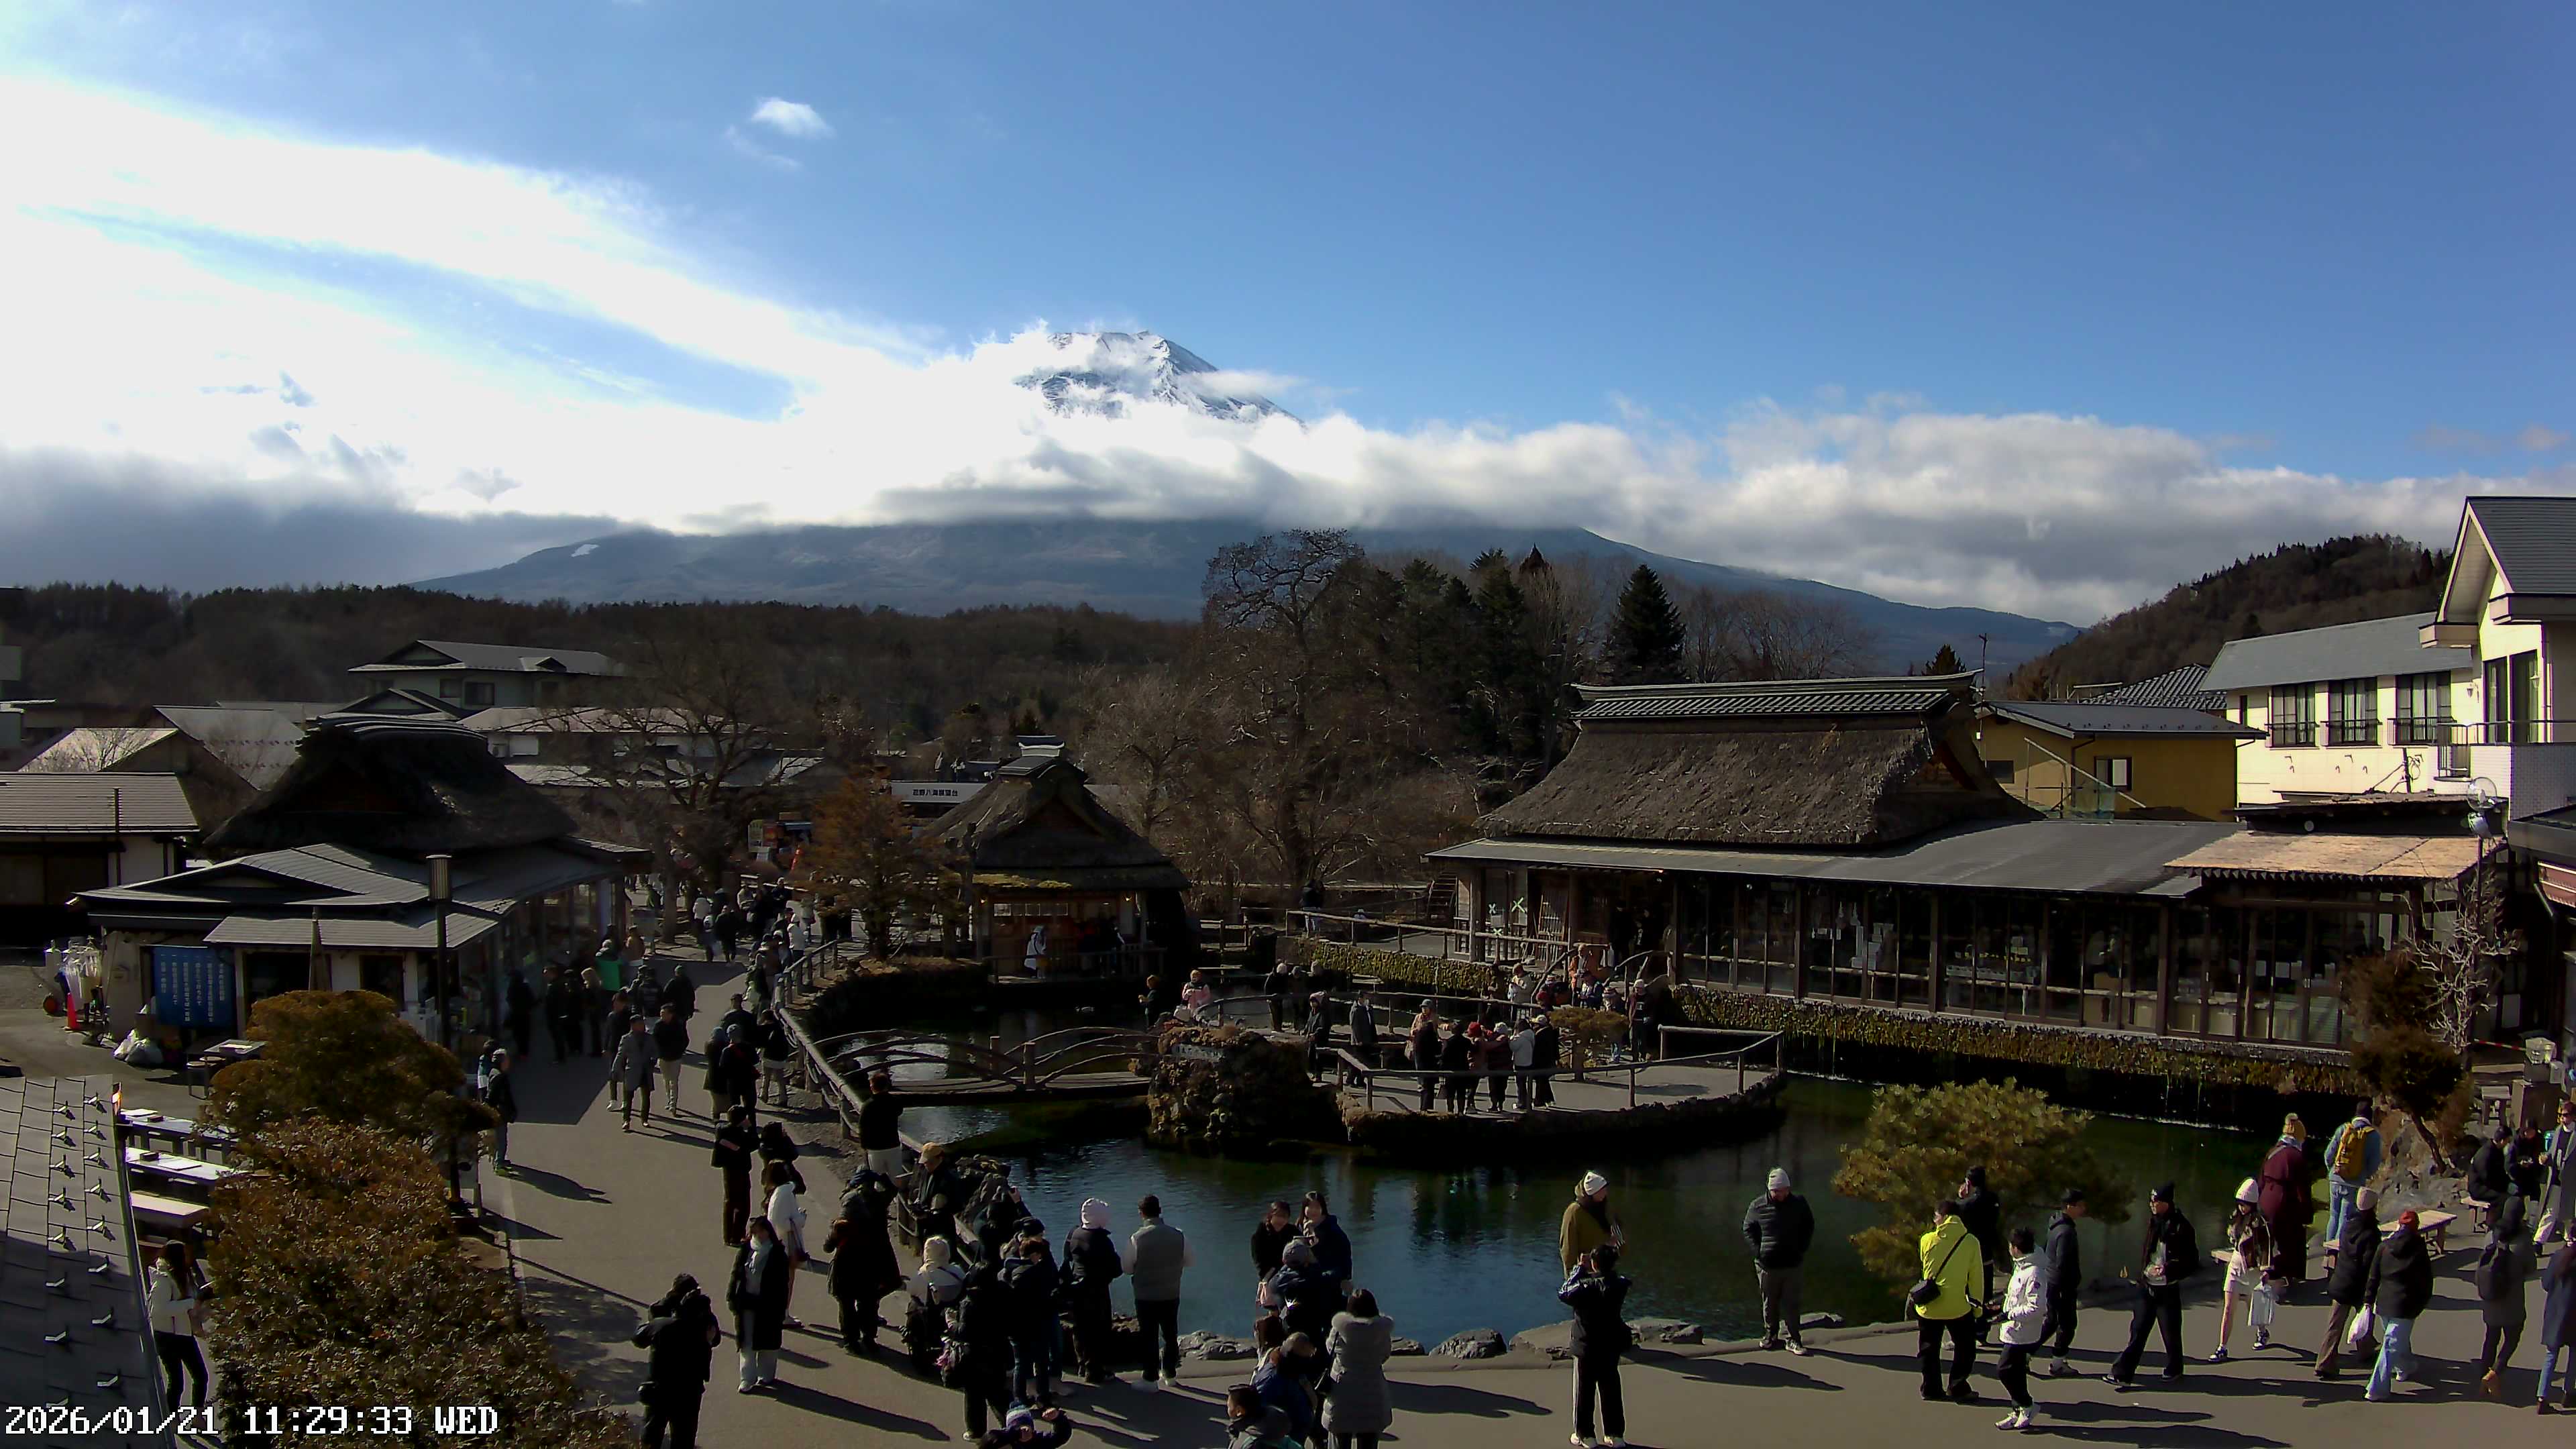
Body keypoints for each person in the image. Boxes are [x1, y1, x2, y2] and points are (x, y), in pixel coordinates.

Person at [2104, 1183, 2198, 1388]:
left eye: (2156, 1202)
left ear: (2167, 1203)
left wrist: (2168, 1269)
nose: (2152, 1205)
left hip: (2168, 1287)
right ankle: (2122, 1372)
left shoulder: (2182, 1227)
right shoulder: (2153, 1223)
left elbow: (2191, 1262)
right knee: (2138, 1329)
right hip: (2147, 1286)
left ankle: (2175, 1368)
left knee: (2170, 1332)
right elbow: (2146, 1251)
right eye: (2151, 1201)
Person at [1560, 1244, 1631, 1449]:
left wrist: (1578, 1270)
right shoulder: (1619, 1285)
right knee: (1611, 1388)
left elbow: (1564, 1292)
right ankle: (1615, 1434)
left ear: (1594, 1263)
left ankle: (1585, 1435)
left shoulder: (1586, 1289)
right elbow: (1620, 1279)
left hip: (1587, 1345)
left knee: (1584, 1391)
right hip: (1610, 1344)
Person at [639, 1273, 720, 1449]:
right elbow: (715, 1339)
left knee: (652, 1436)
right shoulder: (702, 1319)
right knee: (683, 1438)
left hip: (660, 1387)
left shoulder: (661, 1320)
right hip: (689, 1389)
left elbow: (639, 1337)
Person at [1913, 1199, 1983, 1403]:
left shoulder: (1926, 1240)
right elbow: (1976, 1278)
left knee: (1928, 1349)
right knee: (1966, 1348)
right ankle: (1958, 1385)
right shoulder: (1971, 1242)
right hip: (1958, 1307)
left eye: (1935, 1217)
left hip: (1929, 1305)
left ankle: (1931, 1388)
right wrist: (1977, 1307)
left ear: (1941, 1217)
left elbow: (1926, 1268)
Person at [1741, 1167, 1816, 1354]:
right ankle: (1771, 1335)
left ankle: (1794, 1339)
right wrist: (1758, 1252)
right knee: (1770, 1302)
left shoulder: (1799, 1204)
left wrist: (1801, 1248)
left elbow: (1809, 1225)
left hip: (1792, 1263)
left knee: (1792, 1303)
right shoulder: (1757, 1206)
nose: (1782, 1194)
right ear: (1770, 1190)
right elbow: (1748, 1228)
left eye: (1785, 1190)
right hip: (1767, 1265)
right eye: (1777, 1191)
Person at [2365, 1208, 2434, 1401]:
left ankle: (2405, 1367)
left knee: (2392, 1341)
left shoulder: (2384, 1246)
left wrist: (2368, 1301)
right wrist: (2422, 1302)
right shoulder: (2419, 1250)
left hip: (2384, 1302)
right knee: (2391, 1345)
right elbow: (2426, 1280)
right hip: (2406, 1305)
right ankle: (2377, 1388)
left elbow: (2373, 1276)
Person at [2315, 1185, 2382, 1380]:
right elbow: (2369, 1264)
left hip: (2341, 1282)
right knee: (2365, 1318)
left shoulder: (2348, 1226)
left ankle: (2325, 1362)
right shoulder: (2371, 1233)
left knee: (2334, 1326)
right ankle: (2365, 1350)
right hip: (2358, 1286)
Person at [1130, 1194, 1191, 1389]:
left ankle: (1150, 1379)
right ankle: (1170, 1374)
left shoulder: (1137, 1238)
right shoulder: (1179, 1234)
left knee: (1149, 1336)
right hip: (1171, 1293)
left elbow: (1126, 1267)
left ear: (1141, 1214)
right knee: (1170, 1334)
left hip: (1145, 1295)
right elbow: (1190, 1261)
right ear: (1160, 1210)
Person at [2210, 1179, 2274, 1362]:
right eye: (2239, 1204)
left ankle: (2262, 1331)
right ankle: (2222, 1347)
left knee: (2253, 1306)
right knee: (2229, 1308)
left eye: (2244, 1205)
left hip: (2252, 1269)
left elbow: (2267, 1246)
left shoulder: (2260, 1223)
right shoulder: (2235, 1217)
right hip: (2236, 1265)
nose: (2241, 1208)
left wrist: (2266, 1270)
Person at [1062, 1197, 1124, 1384]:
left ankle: (1083, 1365)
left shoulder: (1074, 1233)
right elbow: (1117, 1269)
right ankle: (1095, 1371)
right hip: (1096, 1290)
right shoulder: (1101, 1240)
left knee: (1080, 1329)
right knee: (1099, 1329)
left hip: (1076, 1287)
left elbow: (1068, 1256)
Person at [2479, 1196, 2536, 1398]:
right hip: (2512, 1298)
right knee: (2513, 1336)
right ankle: (2496, 1371)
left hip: (2491, 1298)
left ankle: (2483, 1372)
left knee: (2491, 1337)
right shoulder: (2522, 1242)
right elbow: (2531, 1269)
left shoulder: (2492, 1235)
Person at [1322, 1287, 1393, 1449]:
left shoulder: (1339, 1330)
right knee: (1369, 1439)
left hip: (1342, 1391)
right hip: (1372, 1391)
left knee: (1339, 1437)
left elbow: (1329, 1349)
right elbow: (1385, 1355)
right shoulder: (1381, 1331)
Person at [951, 1262, 1015, 1439]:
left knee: (974, 1395)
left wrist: (951, 1324)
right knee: (999, 1394)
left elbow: (963, 1332)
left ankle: (976, 1432)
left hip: (975, 1355)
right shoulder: (1004, 1293)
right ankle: (1012, 1426)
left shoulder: (969, 1301)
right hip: (1000, 1351)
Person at [729, 1215, 792, 1392]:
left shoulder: (778, 1253)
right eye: (756, 1232)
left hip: (768, 1306)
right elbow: (736, 1275)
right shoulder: (746, 1250)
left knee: (768, 1344)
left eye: (762, 1231)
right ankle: (747, 1379)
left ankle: (767, 1375)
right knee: (747, 1344)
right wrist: (732, 1297)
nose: (759, 1235)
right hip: (747, 1303)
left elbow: (783, 1283)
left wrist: (781, 1308)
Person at [1994, 1226, 2049, 1432]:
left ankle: (2028, 1405)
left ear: (2015, 1248)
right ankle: (2018, 1409)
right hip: (2013, 1330)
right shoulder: (2021, 1266)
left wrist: (2010, 1314)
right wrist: (2000, 1304)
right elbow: (2015, 1295)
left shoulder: (2034, 1272)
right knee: (2016, 1373)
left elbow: (2037, 1307)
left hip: (2023, 1332)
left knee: (2005, 1370)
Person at [1002, 1225, 1063, 1406]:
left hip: (1016, 1326)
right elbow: (1045, 1299)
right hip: (1036, 1323)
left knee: (1021, 1363)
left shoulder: (1008, 1271)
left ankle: (1020, 1399)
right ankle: (1043, 1398)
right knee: (1042, 1362)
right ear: (1035, 1255)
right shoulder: (1036, 1273)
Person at [146, 1241, 207, 1411]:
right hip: (167, 1336)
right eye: (186, 1254)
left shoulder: (184, 1276)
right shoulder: (163, 1280)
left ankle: (197, 1416)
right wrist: (188, 1303)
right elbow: (159, 1310)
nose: (190, 1258)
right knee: (177, 1381)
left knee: (201, 1376)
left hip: (184, 1334)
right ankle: (171, 1418)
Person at [2255, 1114, 2312, 1286]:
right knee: (2292, 1238)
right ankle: (2285, 1274)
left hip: (2266, 1200)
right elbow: (2303, 1189)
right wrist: (2307, 1214)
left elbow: (2261, 1180)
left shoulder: (2272, 1152)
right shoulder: (2296, 1157)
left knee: (2270, 1238)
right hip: (2284, 1202)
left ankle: (2268, 1268)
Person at [2321, 1101, 2383, 1246]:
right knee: (2345, 1217)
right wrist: (2363, 1174)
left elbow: (2328, 1155)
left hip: (2335, 1179)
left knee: (2333, 1215)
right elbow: (2374, 1164)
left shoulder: (2343, 1129)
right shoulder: (2373, 1136)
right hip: (2354, 1182)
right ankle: (2337, 1250)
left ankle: (2328, 1246)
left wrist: (2333, 1170)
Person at [2040, 1187, 2086, 1378]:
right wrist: (2071, 1282)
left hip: (2052, 1281)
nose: (2084, 1209)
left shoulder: (2055, 1224)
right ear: (2070, 1206)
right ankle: (2058, 1363)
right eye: (2081, 1206)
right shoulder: (2066, 1232)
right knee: (2067, 1325)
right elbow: (2064, 1262)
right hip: (2061, 1285)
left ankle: (2025, 1354)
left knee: (2052, 1322)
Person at [907, 1236, 968, 1373]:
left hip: (930, 1320)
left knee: (914, 1303)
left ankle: (917, 1349)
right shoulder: (958, 1272)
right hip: (951, 1318)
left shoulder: (923, 1275)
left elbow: (910, 1290)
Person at [1955, 1166, 2003, 1341]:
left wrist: (1961, 1197)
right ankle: (1982, 1332)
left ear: (1969, 1182)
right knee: (1985, 1295)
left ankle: (1965, 1335)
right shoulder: (1993, 1199)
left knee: (1968, 1295)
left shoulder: (1968, 1204)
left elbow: (1954, 1213)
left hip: (1971, 1255)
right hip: (1988, 1252)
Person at [1250, 1334, 1322, 1447]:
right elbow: (1259, 1413)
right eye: (1306, 1356)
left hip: (1295, 1438)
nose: (1309, 1360)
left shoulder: (1293, 1371)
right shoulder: (1272, 1379)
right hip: (1281, 1442)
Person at [763, 1160, 808, 1328]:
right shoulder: (786, 1193)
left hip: (778, 1243)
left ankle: (783, 1313)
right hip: (787, 1245)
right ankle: (784, 1314)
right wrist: (801, 1219)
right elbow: (783, 1223)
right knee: (787, 1282)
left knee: (782, 1282)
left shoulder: (776, 1193)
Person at [1560, 1172, 1623, 1274]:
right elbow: (1568, 1248)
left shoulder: (1602, 1207)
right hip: (1584, 1271)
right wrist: (1570, 1275)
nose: (1605, 1193)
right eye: (1602, 1190)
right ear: (1593, 1192)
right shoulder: (1574, 1212)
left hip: (1603, 1269)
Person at [2540, 1231, 2576, 1413]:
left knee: (2551, 1355)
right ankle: (2569, 1393)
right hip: (2574, 1315)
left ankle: (2542, 1396)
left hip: (2556, 1312)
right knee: (2574, 1355)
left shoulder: (2558, 1257)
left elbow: (2546, 1284)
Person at [610, 1016, 657, 1130]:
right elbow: (621, 1055)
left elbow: (655, 1051)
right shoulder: (626, 1039)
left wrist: (653, 1061)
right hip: (632, 1072)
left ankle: (644, 1119)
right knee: (628, 1098)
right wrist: (615, 1069)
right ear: (633, 1025)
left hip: (645, 1071)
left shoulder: (649, 1038)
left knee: (646, 1097)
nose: (643, 1026)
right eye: (640, 1024)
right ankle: (626, 1120)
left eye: (643, 1024)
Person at [707, 1028, 759, 1129]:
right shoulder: (749, 1047)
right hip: (748, 1081)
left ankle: (736, 1127)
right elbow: (756, 1061)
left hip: (733, 1082)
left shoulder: (727, 1050)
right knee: (750, 1107)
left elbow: (722, 1066)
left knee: (735, 1106)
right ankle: (752, 1127)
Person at [2540, 1100, 2576, 1245]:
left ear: (2573, 1116)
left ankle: (2570, 1240)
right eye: (2561, 1115)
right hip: (2556, 1178)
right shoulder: (2558, 1131)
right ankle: (2539, 1241)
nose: (2563, 1119)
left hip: (2571, 1180)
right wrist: (2546, 1159)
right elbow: (2552, 1153)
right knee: (2550, 1211)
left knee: (2569, 1213)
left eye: (2566, 1115)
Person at [1301, 1191, 1354, 1287]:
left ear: (1323, 1209)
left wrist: (1347, 1277)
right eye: (1310, 1207)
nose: (1313, 1211)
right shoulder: (1300, 1225)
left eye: (1317, 1207)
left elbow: (1345, 1251)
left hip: (1330, 1272)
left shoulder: (1331, 1227)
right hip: (1309, 1273)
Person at [1226, 1382, 1302, 1449]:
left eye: (1229, 1407)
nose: (1228, 1410)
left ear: (1239, 1411)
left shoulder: (1248, 1444)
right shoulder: (1278, 1433)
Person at [859, 1071, 904, 1178]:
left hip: (875, 1147)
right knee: (896, 1175)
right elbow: (899, 1111)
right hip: (893, 1144)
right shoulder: (895, 1102)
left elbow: (863, 1127)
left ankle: (881, 1194)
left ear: (872, 1087)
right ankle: (897, 1193)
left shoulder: (868, 1105)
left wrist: (864, 1145)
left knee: (877, 1177)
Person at [484, 1048, 519, 1172]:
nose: (509, 1063)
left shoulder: (495, 1073)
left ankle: (501, 1160)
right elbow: (492, 1096)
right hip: (500, 1113)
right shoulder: (499, 1077)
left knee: (500, 1138)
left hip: (500, 1111)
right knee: (501, 1140)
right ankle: (499, 1164)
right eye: (507, 1060)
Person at [1253, 1201, 1298, 1294]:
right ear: (1271, 1216)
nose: (1281, 1220)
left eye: (1284, 1217)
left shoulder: (1292, 1231)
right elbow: (1259, 1264)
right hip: (1270, 1275)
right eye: (1278, 1216)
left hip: (1290, 1271)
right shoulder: (1260, 1235)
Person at [653, 1004, 690, 1117]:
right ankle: (670, 1100)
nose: (661, 1015)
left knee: (673, 1081)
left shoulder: (678, 1025)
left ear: (671, 1014)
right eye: (661, 1013)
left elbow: (685, 1040)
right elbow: (654, 1040)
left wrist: (679, 1051)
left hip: (675, 1058)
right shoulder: (658, 1025)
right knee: (666, 1080)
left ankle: (673, 1104)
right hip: (663, 1057)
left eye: (664, 1013)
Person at [1406, 1008, 1440, 1112]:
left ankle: (1423, 1108)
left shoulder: (1418, 1037)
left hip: (1420, 1062)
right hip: (1430, 1065)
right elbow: (1437, 1050)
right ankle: (1427, 1109)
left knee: (1422, 1087)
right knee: (1429, 1089)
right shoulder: (1431, 1037)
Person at [1439, 1021, 1474, 1113]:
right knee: (1461, 1093)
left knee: (1450, 1094)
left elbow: (1444, 1057)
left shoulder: (1449, 1042)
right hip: (1463, 1069)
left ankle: (1450, 1111)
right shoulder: (1466, 1041)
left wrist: (1442, 1071)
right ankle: (1461, 1112)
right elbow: (1474, 1049)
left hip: (1451, 1071)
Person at [1479, 1022, 1512, 1111]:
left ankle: (1494, 1105)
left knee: (1493, 1087)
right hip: (1505, 1067)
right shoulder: (1508, 1041)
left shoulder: (1492, 1039)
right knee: (1502, 1087)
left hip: (1493, 1067)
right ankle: (1501, 1105)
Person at [1530, 1012, 1559, 1107]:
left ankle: (1539, 1101)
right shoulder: (1552, 1033)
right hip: (1549, 1061)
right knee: (1543, 1081)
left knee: (1541, 1081)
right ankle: (1548, 1099)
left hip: (1540, 1062)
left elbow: (1537, 1051)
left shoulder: (1540, 1035)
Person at [507, 967, 536, 1058]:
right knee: (525, 1034)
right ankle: (524, 1052)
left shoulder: (512, 987)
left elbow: (509, 999)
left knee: (518, 1034)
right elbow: (532, 999)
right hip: (525, 1013)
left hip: (516, 1013)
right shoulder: (525, 986)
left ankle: (521, 1052)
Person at [1509, 1016, 1538, 1110]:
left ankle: (1522, 1103)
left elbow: (1513, 1047)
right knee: (1528, 1084)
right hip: (1529, 1062)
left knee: (1520, 1085)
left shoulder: (1520, 1037)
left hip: (1520, 1063)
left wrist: (1512, 1036)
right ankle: (1528, 1102)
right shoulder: (1531, 1035)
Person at [1349, 987, 1379, 1066]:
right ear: (1360, 998)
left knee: (1366, 1064)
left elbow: (1371, 1023)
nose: (1367, 1000)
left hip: (1368, 1040)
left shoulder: (1368, 1009)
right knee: (1358, 1065)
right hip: (1359, 1042)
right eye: (1365, 998)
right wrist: (1358, 1040)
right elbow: (1354, 1026)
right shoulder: (1355, 1010)